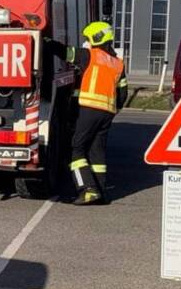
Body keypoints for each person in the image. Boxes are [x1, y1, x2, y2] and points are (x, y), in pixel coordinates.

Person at [48, 21, 127, 205]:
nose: (87, 42)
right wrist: (113, 109)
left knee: (75, 148)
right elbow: (123, 93)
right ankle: (101, 193)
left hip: (88, 109)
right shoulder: (118, 64)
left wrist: (47, 42)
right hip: (107, 113)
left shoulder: (89, 55)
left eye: (89, 39)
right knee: (96, 152)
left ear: (96, 38)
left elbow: (65, 52)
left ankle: (87, 189)